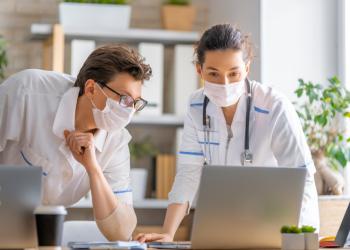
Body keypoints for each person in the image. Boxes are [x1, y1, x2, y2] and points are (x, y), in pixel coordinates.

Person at [136, 24, 319, 243]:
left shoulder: (275, 107)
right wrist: (168, 232)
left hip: (280, 228)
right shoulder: (196, 106)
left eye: (234, 73)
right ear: (199, 70)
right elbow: (188, 173)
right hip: (227, 224)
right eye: (213, 73)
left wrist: (297, 241)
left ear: (247, 69)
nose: (224, 84)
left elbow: (301, 178)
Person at [0, 44, 152, 241]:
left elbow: (121, 232)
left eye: (135, 103)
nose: (129, 110)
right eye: (124, 99)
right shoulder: (27, 91)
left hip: (38, 237)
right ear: (91, 88)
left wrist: (93, 168)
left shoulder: (116, 141)